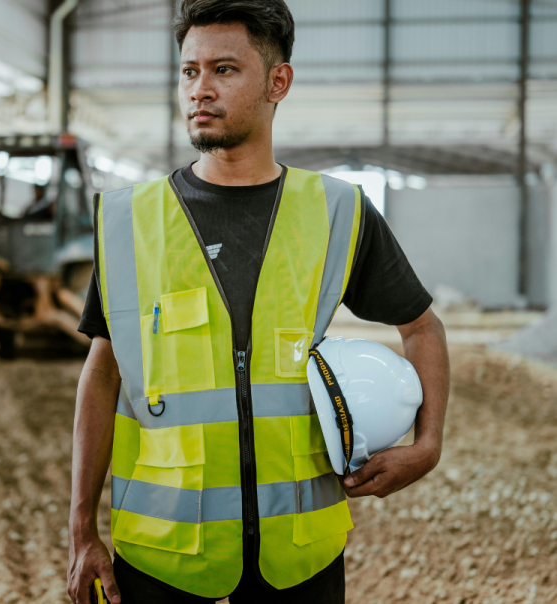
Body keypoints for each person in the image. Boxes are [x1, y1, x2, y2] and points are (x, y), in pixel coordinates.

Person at [66, 1, 450, 602]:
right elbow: (103, 371)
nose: (201, 89)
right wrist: (81, 528)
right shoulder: (127, 221)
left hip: (299, 555)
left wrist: (427, 445)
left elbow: (423, 327)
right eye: (189, 71)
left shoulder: (336, 211)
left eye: (224, 69)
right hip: (163, 558)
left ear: (279, 81)